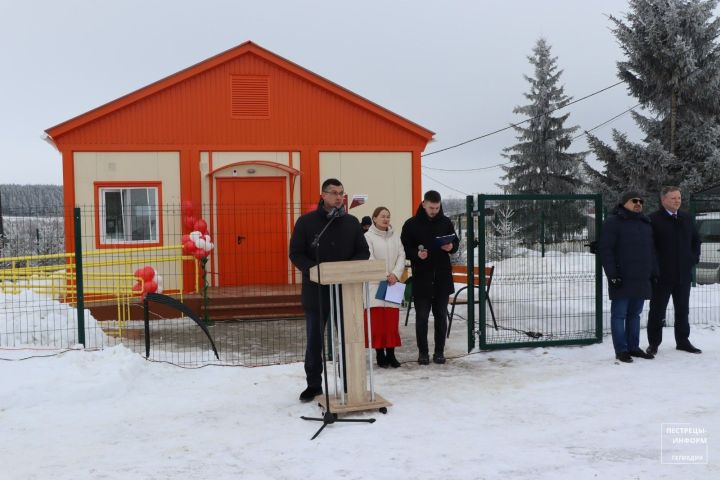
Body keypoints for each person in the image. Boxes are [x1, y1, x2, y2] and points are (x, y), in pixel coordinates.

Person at [289, 178, 370, 402]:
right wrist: (313, 270)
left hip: (346, 293)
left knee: (348, 339)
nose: (338, 197)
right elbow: (295, 253)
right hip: (317, 292)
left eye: (341, 193)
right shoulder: (307, 223)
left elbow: (363, 252)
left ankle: (349, 383)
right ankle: (313, 385)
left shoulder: (352, 223)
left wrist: (347, 270)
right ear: (323, 195)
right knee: (315, 340)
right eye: (333, 193)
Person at [400, 190, 459, 365]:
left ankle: (439, 352)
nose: (434, 210)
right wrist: (417, 255)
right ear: (424, 203)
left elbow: (455, 242)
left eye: (437, 207)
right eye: (431, 207)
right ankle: (423, 353)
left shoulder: (446, 222)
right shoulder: (411, 224)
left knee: (441, 316)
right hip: (422, 278)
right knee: (422, 317)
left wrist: (451, 247)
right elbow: (404, 248)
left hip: (441, 277)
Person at [599, 191, 658, 363]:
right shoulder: (613, 222)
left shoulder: (645, 223)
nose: (638, 203)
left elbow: (652, 252)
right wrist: (612, 275)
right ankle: (621, 350)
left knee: (635, 314)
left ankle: (633, 347)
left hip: (641, 278)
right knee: (619, 315)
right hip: (622, 277)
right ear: (624, 203)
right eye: (634, 201)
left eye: (641, 201)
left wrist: (654, 272)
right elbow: (606, 250)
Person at [646, 186, 702, 355]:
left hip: (683, 274)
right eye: (673, 198)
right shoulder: (653, 219)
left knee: (683, 309)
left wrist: (693, 259)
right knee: (657, 310)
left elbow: (696, 241)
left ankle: (683, 341)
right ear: (663, 200)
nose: (677, 201)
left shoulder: (687, 218)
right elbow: (650, 248)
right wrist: (655, 268)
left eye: (679, 198)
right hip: (662, 275)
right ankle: (654, 343)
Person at [364, 206, 406, 368]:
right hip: (377, 283)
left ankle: (392, 354)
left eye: (388, 216)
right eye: (382, 216)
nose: (386, 219)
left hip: (393, 283)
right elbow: (369, 257)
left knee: (391, 320)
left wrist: (395, 274)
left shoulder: (395, 236)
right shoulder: (368, 237)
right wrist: (386, 274)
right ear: (374, 218)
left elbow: (402, 255)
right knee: (377, 321)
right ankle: (380, 354)